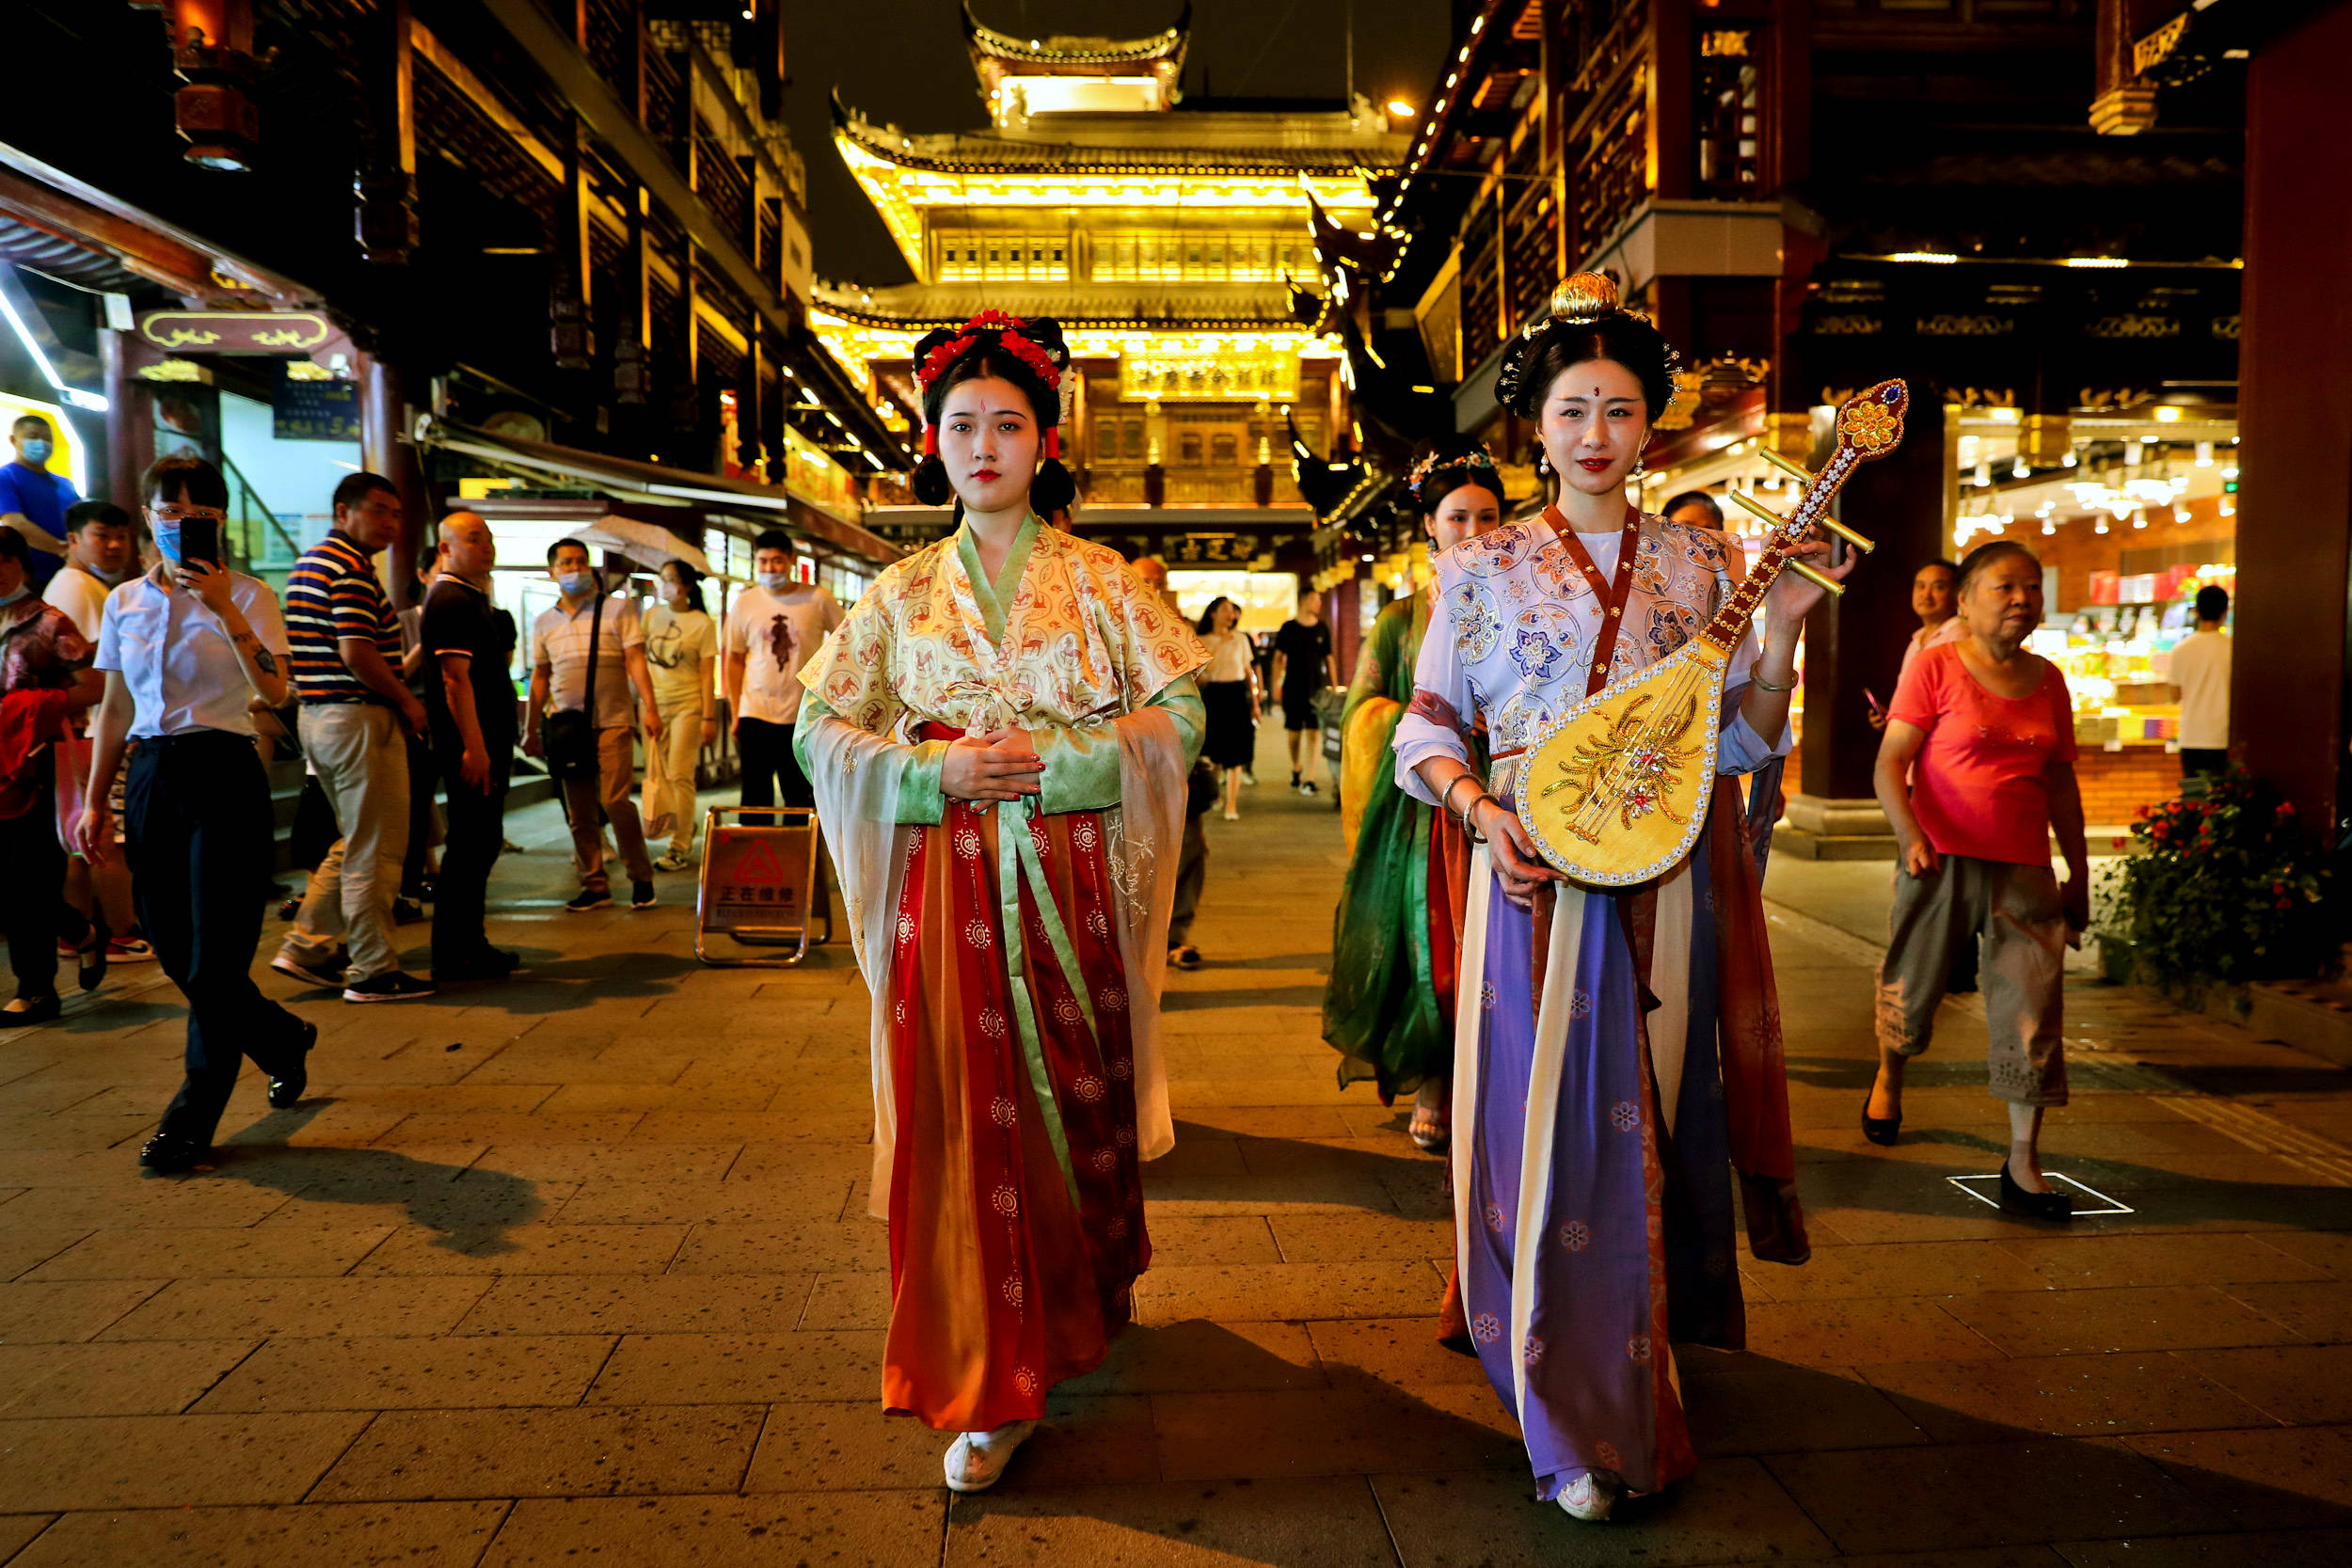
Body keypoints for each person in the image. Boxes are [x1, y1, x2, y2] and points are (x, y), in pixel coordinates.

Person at [1392, 274, 1825, 1522]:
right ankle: (1563, 1398)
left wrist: (1784, 632)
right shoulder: (1480, 567)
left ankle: (1630, 1352)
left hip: (1659, 882)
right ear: (1535, 422)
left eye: (1620, 410)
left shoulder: (1705, 562)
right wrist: (1481, 812)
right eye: (1573, 407)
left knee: (1640, 1118)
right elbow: (1428, 725)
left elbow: (1736, 744)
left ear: (1652, 428)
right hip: (1524, 876)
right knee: (1542, 1126)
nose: (1595, 433)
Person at [797, 309, 1204, 1495]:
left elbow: (1183, 717)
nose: (983, 444)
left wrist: (1056, 760)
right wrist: (932, 772)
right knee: (963, 1120)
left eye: (1007, 424)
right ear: (933, 442)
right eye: (960, 424)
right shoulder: (895, 593)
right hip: (947, 895)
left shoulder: (1103, 582)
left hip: (1070, 891)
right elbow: (821, 727)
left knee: (1072, 1105)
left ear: (1045, 438)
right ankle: (987, 1370)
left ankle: (1072, 1309)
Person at [74, 454, 314, 1174]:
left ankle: (190, 1118)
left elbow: (276, 690)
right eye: (169, 513)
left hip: (224, 769)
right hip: (151, 772)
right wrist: (94, 799)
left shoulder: (251, 594)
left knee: (215, 957)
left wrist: (224, 610)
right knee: (175, 946)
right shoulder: (124, 604)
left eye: (199, 515)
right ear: (149, 517)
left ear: (220, 521)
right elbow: (115, 707)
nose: (182, 525)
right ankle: (279, 1038)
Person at [1870, 539, 2088, 1221]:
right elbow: (1890, 761)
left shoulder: (2050, 679)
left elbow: (2061, 781)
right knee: (1915, 982)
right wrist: (1910, 837)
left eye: (2032, 587)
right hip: (1939, 857)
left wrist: (2077, 870)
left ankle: (2023, 1160)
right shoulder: (1935, 667)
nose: (2021, 599)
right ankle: (1890, 1071)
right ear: (1965, 602)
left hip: (2023, 866)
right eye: (2004, 586)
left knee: (2032, 1003)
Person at [1324, 440, 1502, 1152]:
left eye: (1489, 517)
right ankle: (1433, 1077)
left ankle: (1502, 1080)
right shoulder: (1402, 618)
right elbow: (1363, 707)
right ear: (1430, 524)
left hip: (1513, 791)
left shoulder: (1531, 601)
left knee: (1508, 947)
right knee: (1439, 946)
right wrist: (1432, 720)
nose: (1475, 534)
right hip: (1425, 808)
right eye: (1458, 518)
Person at [276, 472, 435, 1003]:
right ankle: (372, 969)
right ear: (344, 512)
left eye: (395, 513)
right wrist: (408, 700)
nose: (390, 522)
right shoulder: (348, 570)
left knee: (355, 841)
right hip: (358, 716)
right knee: (377, 850)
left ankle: (308, 946)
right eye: (379, 510)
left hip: (322, 718)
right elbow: (357, 652)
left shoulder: (310, 564)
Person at [526, 539, 662, 912]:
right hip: (566, 728)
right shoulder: (544, 622)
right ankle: (595, 883)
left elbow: (635, 659)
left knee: (615, 800)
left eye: (581, 562)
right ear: (552, 571)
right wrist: (530, 727)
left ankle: (640, 877)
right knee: (580, 812)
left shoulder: (617, 609)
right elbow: (539, 677)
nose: (575, 569)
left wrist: (650, 708)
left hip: (613, 720)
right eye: (566, 563)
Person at [0, 528, 100, 1022]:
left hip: (38, 772)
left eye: (3, 559)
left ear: (21, 563)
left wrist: (33, 706)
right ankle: (79, 930)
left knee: (29, 882)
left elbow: (94, 685)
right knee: (14, 886)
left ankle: (36, 989)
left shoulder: (48, 623)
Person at [43, 500, 148, 970]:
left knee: (81, 839)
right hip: (91, 732)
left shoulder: (74, 585)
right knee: (107, 833)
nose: (113, 545)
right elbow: (103, 679)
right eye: (101, 535)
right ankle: (121, 934)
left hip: (75, 736)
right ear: (72, 540)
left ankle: (79, 931)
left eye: (121, 537)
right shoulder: (84, 590)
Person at [422, 512, 519, 980]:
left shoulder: (469, 598)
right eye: (474, 539)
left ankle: (468, 944)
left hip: (486, 742)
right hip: (472, 747)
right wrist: (474, 748)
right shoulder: (451, 600)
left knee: (479, 843)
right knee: (470, 845)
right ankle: (456, 951)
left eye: (489, 539)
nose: (487, 547)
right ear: (446, 548)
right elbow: (455, 682)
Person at [724, 531, 841, 812]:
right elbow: (735, 659)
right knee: (754, 794)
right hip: (755, 711)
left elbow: (845, 644)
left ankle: (798, 853)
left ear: (791, 560)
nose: (769, 568)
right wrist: (735, 711)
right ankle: (753, 853)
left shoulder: (818, 598)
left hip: (802, 713)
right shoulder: (744, 602)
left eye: (777, 561)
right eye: (763, 561)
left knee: (799, 793)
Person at [643, 559, 720, 869]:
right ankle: (684, 825)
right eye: (662, 578)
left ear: (686, 585)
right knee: (659, 776)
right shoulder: (649, 617)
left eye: (671, 579)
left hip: (688, 705)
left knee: (679, 774)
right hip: (652, 707)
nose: (665, 584)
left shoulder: (702, 623)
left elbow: (706, 674)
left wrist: (709, 717)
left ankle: (680, 844)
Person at [0, 414, 79, 589]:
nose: (42, 443)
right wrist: (63, 550)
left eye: (47, 438)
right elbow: (16, 525)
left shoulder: (64, 483)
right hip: (29, 579)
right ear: (14, 440)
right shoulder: (6, 477)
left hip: (70, 576)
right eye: (33, 437)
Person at [1196, 596, 1256, 820]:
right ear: (1213, 613)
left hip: (1237, 696)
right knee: (1214, 754)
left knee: (1236, 753)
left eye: (1232, 611)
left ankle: (1231, 804)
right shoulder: (1201, 639)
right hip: (1213, 696)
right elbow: (1199, 676)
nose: (1230, 614)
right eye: (1225, 610)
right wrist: (1220, 642)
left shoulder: (1241, 639)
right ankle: (1217, 796)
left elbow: (1248, 672)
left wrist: (1256, 703)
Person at [1270, 594, 1335, 795]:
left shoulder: (1322, 628)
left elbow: (1329, 658)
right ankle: (1296, 766)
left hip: (1317, 687)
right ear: (1303, 601)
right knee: (1294, 733)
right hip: (1293, 686)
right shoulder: (1288, 628)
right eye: (1315, 600)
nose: (1319, 603)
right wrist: (1275, 684)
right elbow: (1279, 658)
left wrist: (1333, 685)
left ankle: (1310, 777)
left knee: (1314, 732)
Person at [2171, 583, 2231, 781]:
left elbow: (2174, 696)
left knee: (2193, 801)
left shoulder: (2180, 649)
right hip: (2223, 737)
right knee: (2222, 801)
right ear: (2226, 610)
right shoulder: (2233, 648)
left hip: (2191, 735)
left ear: (2196, 610)